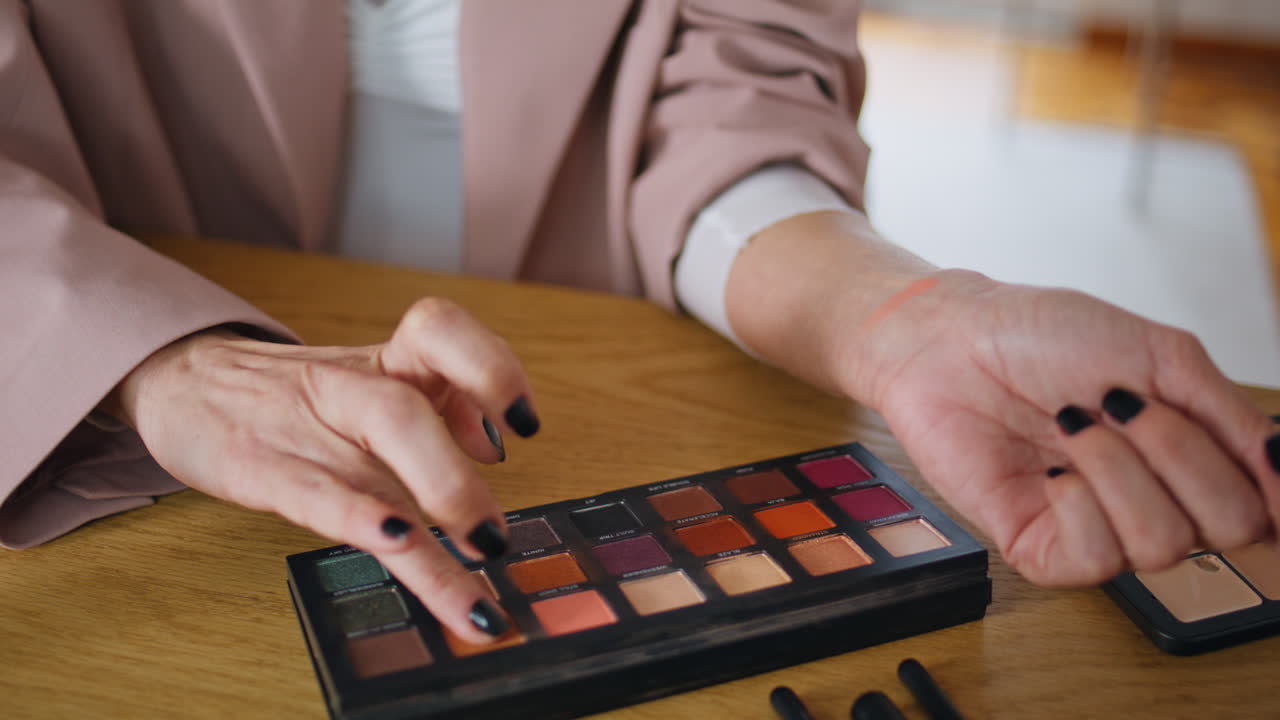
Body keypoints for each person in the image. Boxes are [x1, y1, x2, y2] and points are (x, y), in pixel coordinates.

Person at [3, 1, 1277, 647]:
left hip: (608, 389)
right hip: (105, 440)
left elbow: (740, 82)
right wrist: (155, 359)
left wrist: (894, 315)